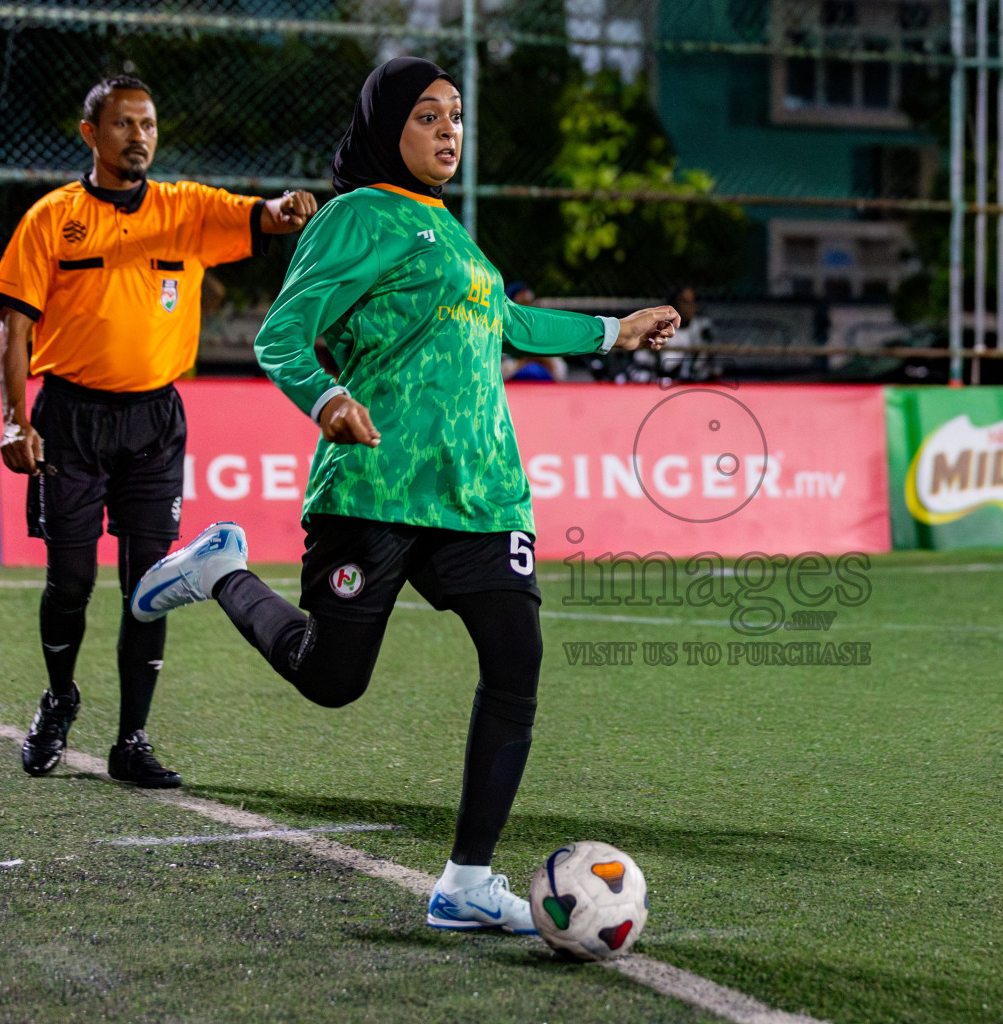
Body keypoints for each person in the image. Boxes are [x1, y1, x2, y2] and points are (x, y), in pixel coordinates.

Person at [129, 57, 677, 933]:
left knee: (516, 657)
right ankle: (223, 570)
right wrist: (330, 399)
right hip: (378, 487)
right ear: (390, 129)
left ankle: (465, 882)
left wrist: (616, 328)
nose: (448, 131)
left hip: (479, 493)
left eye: (455, 116)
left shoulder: (452, 233)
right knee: (333, 681)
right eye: (428, 117)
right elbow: (282, 336)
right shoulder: (356, 217)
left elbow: (513, 322)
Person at [0, 74, 318, 787]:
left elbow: (258, 214)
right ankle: (59, 699)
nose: (139, 137)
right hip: (69, 419)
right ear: (91, 134)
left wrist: (286, 208)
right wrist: (15, 420)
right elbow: (12, 326)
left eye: (148, 125)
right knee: (70, 581)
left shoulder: (188, 209)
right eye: (123, 125)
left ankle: (131, 742)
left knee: (151, 584)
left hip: (154, 422)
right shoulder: (52, 217)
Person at [500, 281, 568, 382]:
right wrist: (525, 361)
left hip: (543, 388)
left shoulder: (541, 333)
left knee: (535, 370)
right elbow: (496, 373)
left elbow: (560, 372)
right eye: (521, 304)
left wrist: (542, 359)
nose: (527, 309)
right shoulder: (500, 333)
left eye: (529, 304)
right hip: (511, 386)